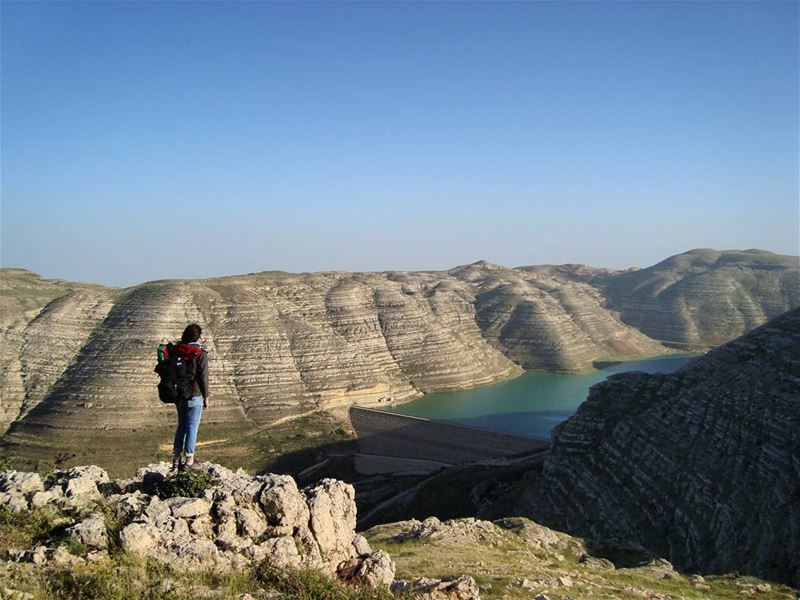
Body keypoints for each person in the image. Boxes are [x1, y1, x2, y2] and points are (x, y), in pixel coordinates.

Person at [172, 323, 210, 471]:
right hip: (195, 395)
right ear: (198, 337)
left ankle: (176, 458)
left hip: (179, 396)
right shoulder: (200, 353)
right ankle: (189, 461)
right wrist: (206, 396)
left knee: (181, 426)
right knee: (192, 427)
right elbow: (203, 377)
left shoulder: (178, 351)